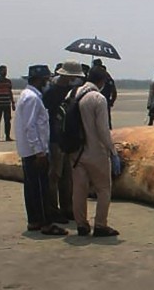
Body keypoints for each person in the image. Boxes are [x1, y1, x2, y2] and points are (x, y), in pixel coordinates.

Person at [13, 65, 67, 236]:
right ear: (38, 80)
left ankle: (34, 220)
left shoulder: (28, 95)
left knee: (31, 187)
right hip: (34, 151)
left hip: (29, 150)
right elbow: (30, 127)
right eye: (46, 79)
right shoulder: (32, 99)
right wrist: (40, 152)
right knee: (40, 187)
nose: (48, 82)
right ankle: (45, 223)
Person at [71, 68, 120, 237]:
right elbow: (102, 130)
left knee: (79, 189)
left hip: (76, 152)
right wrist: (113, 151)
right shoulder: (98, 98)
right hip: (96, 152)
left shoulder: (73, 94)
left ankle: (81, 225)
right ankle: (100, 225)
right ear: (102, 81)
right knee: (104, 188)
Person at [42, 61, 85, 222]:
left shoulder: (70, 91)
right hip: (54, 138)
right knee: (54, 175)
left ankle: (67, 208)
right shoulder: (51, 93)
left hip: (67, 139)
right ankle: (53, 210)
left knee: (68, 175)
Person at [0, 65, 15, 142]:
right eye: (3, 71)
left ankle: (7, 136)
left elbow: (10, 92)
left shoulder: (8, 81)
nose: (5, 72)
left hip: (7, 103)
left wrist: (13, 102)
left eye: (6, 70)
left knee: (7, 120)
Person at [93, 58, 117, 129]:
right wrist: (111, 101)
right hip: (105, 101)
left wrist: (111, 101)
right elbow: (114, 92)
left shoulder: (95, 76)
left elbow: (114, 91)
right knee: (106, 121)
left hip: (97, 100)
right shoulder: (108, 77)